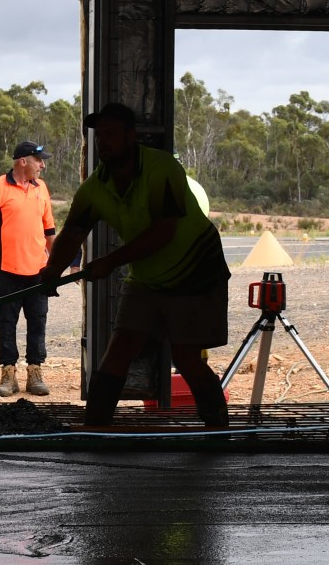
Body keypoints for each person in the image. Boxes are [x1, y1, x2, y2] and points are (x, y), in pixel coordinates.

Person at [41, 102, 231, 429]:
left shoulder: (162, 168)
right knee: (120, 348)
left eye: (111, 135)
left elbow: (163, 231)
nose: (103, 142)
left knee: (186, 357)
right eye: (99, 136)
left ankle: (217, 430)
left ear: (131, 137)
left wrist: (109, 263)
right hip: (147, 278)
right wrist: (49, 274)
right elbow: (73, 233)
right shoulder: (95, 188)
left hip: (195, 269)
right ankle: (94, 430)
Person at [0, 141, 56, 397]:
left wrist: (59, 265)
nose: (42, 165)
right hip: (7, 271)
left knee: (38, 322)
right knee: (6, 323)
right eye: (38, 160)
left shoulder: (41, 188)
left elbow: (50, 230)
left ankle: (35, 372)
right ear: (23, 161)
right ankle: (8, 374)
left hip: (39, 271)